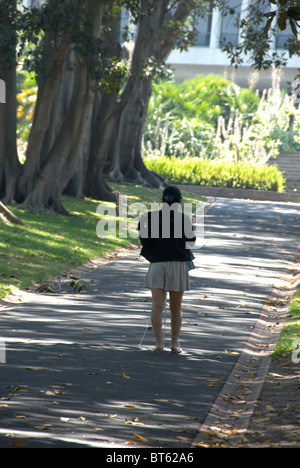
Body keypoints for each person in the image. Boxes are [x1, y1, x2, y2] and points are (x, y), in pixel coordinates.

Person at [138, 185, 196, 353]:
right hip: (178, 264)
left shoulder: (149, 217)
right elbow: (191, 241)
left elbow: (145, 242)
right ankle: (174, 344)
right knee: (176, 308)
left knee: (157, 305)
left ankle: (158, 344)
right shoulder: (183, 219)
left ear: (163, 199)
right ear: (178, 201)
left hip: (157, 264)